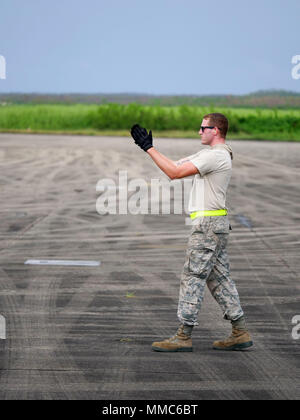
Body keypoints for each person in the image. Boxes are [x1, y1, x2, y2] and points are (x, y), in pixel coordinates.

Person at [130, 113, 253, 352]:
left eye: (203, 127)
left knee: (192, 276)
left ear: (215, 130)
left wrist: (148, 148)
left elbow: (174, 174)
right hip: (215, 225)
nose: (199, 131)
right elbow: (175, 166)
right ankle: (240, 331)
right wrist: (150, 149)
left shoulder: (216, 156)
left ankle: (183, 335)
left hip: (207, 226)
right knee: (219, 279)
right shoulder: (209, 155)